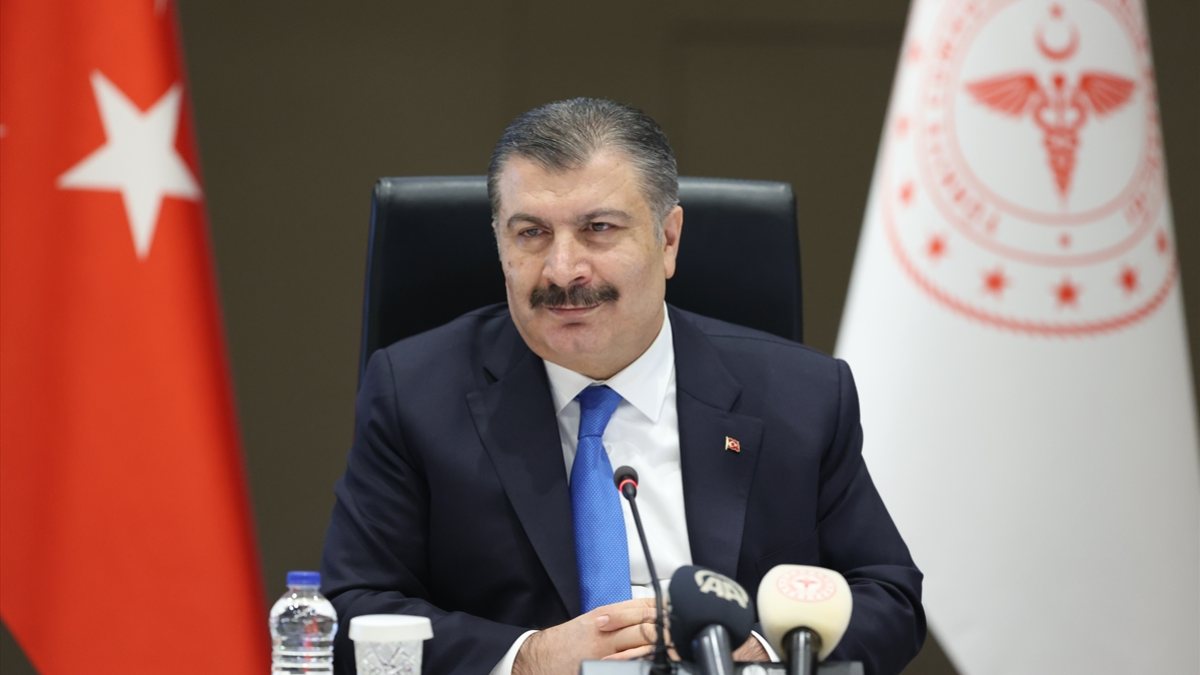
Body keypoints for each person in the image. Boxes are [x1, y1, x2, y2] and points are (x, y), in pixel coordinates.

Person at [321, 98, 925, 675]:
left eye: (598, 229)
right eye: (530, 233)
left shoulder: (801, 395)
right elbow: (353, 607)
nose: (563, 270)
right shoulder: (414, 392)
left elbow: (886, 593)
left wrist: (760, 655)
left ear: (668, 239)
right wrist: (526, 660)